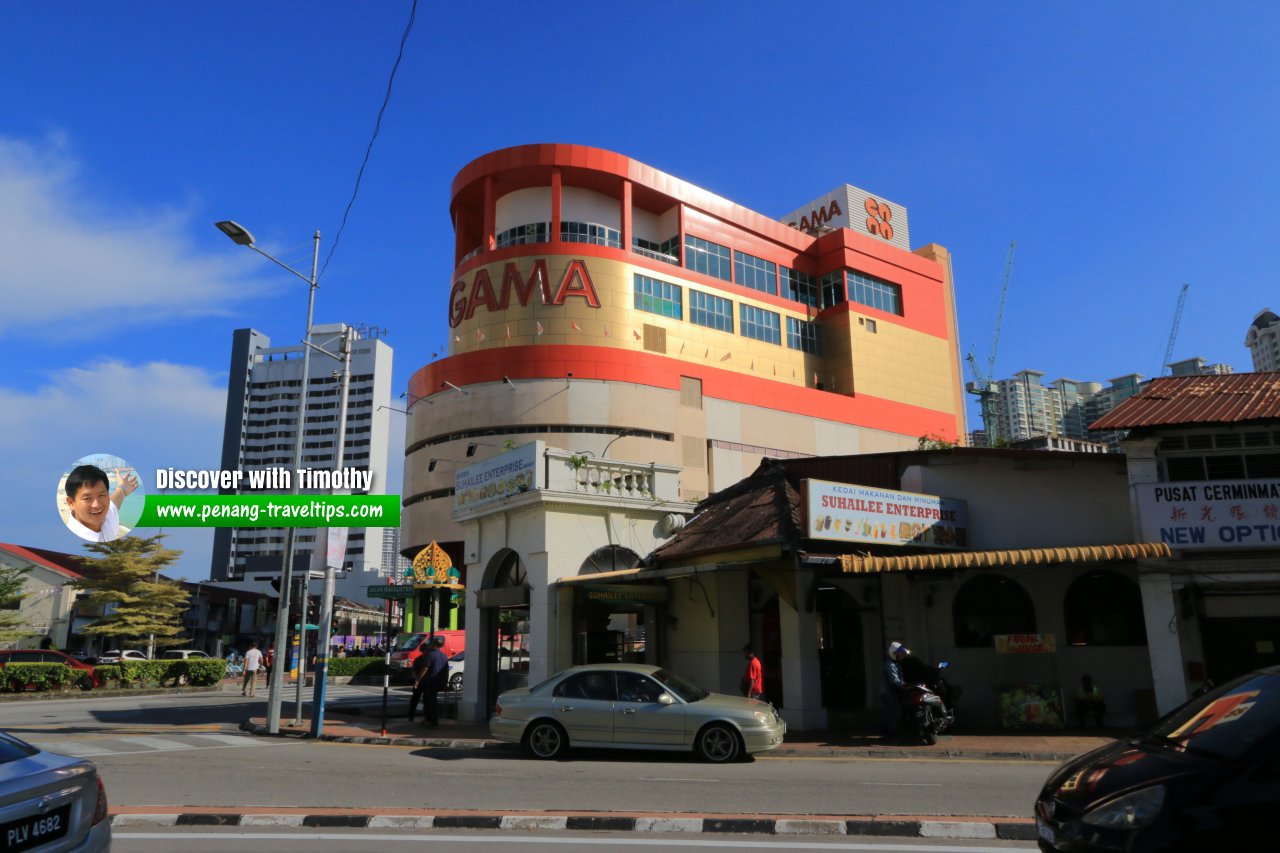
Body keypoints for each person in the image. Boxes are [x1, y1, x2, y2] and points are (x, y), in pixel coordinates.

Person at [63, 464, 138, 542]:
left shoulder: (107, 517)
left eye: (101, 495)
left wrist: (123, 489)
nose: (97, 505)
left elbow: (115, 501)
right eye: (87, 498)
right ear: (71, 503)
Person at [881, 641, 910, 740]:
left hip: (892, 692)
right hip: (888, 693)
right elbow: (894, 681)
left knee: (890, 713)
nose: (901, 656)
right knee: (891, 714)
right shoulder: (890, 664)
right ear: (893, 654)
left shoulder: (896, 664)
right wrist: (904, 685)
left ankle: (887, 731)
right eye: (899, 654)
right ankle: (892, 735)